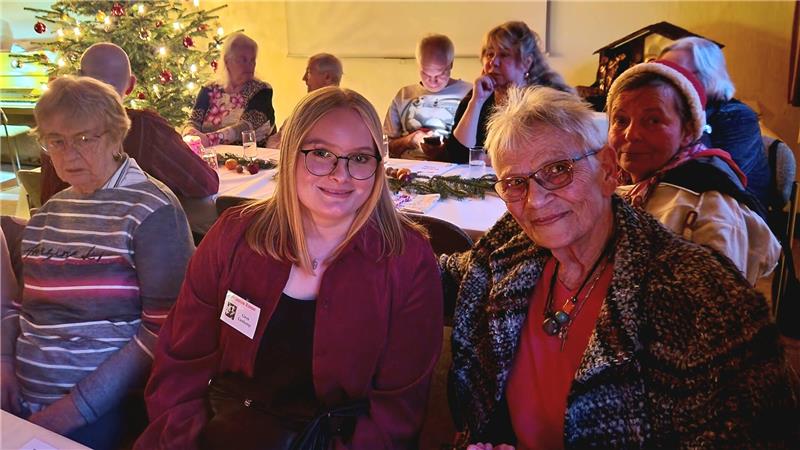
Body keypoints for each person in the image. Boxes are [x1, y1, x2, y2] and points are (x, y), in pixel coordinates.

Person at [442, 86, 798, 448]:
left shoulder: (699, 294)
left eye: (558, 170)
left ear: (609, 170)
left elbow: (761, 434)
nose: (535, 200)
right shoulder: (512, 245)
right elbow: (445, 276)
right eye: (516, 183)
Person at [136, 87, 443, 449]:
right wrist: (186, 439)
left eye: (360, 158)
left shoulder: (408, 260)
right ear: (290, 153)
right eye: (321, 154)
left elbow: (396, 413)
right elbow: (180, 365)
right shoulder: (233, 236)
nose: (341, 175)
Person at [0, 76, 194, 450]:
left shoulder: (152, 209)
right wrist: (5, 363)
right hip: (22, 402)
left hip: (101, 412)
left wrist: (69, 412)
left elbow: (165, 329)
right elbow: (26, 311)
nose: (68, 154)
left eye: (84, 138)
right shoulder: (50, 213)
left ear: (116, 135)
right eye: (56, 141)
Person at [607, 60, 779, 285]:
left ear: (688, 131)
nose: (631, 134)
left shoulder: (708, 209)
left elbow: (716, 301)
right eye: (621, 120)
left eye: (653, 120)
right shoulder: (616, 185)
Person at [39, 42, 219, 204]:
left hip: (63, 228)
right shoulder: (145, 129)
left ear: (79, 78)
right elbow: (205, 183)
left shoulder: (53, 131)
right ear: (131, 85)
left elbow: (46, 200)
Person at [660, 37, 770, 206]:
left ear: (709, 74)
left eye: (676, 73)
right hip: (674, 200)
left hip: (732, 210)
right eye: (661, 72)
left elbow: (714, 177)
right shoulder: (667, 113)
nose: (662, 82)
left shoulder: (738, 117)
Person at [444, 21, 572, 163]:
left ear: (526, 63)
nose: (493, 62)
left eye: (504, 55)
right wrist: (477, 102)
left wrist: (486, 160)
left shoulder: (548, 103)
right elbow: (457, 156)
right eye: (490, 54)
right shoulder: (476, 97)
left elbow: (550, 157)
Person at [384, 34, 471, 160]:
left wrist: (445, 151)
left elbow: (479, 149)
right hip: (407, 167)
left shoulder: (470, 94)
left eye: (440, 74)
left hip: (454, 168)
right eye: (426, 74)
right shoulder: (404, 95)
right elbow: (384, 147)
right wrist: (410, 140)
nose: (433, 81)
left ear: (451, 64)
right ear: (418, 65)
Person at [184, 32, 276, 146]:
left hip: (250, 155)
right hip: (209, 154)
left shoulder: (262, 91)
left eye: (252, 60)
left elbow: (246, 127)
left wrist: (209, 139)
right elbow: (194, 121)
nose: (250, 65)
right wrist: (190, 132)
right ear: (227, 61)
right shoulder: (209, 90)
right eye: (243, 60)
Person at [266, 53, 343, 148]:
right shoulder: (308, 107)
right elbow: (277, 139)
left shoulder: (331, 112)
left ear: (327, 77)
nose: (304, 78)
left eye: (309, 72)